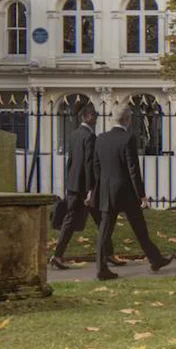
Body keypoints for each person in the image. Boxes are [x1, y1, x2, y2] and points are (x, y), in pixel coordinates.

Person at [90, 106, 175, 280]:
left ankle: (101, 267)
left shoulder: (101, 139)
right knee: (139, 227)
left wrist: (98, 188)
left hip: (107, 190)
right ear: (128, 120)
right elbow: (133, 169)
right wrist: (141, 194)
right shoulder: (128, 138)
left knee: (105, 230)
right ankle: (155, 258)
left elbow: (96, 167)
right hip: (126, 191)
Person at [51, 103, 99, 270]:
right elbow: (89, 163)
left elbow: (70, 161)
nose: (96, 118)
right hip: (84, 186)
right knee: (97, 219)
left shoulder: (73, 135)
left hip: (73, 183)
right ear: (86, 116)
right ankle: (58, 255)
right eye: (93, 115)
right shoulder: (90, 136)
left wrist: (68, 182)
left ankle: (108, 253)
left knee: (92, 219)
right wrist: (91, 189)